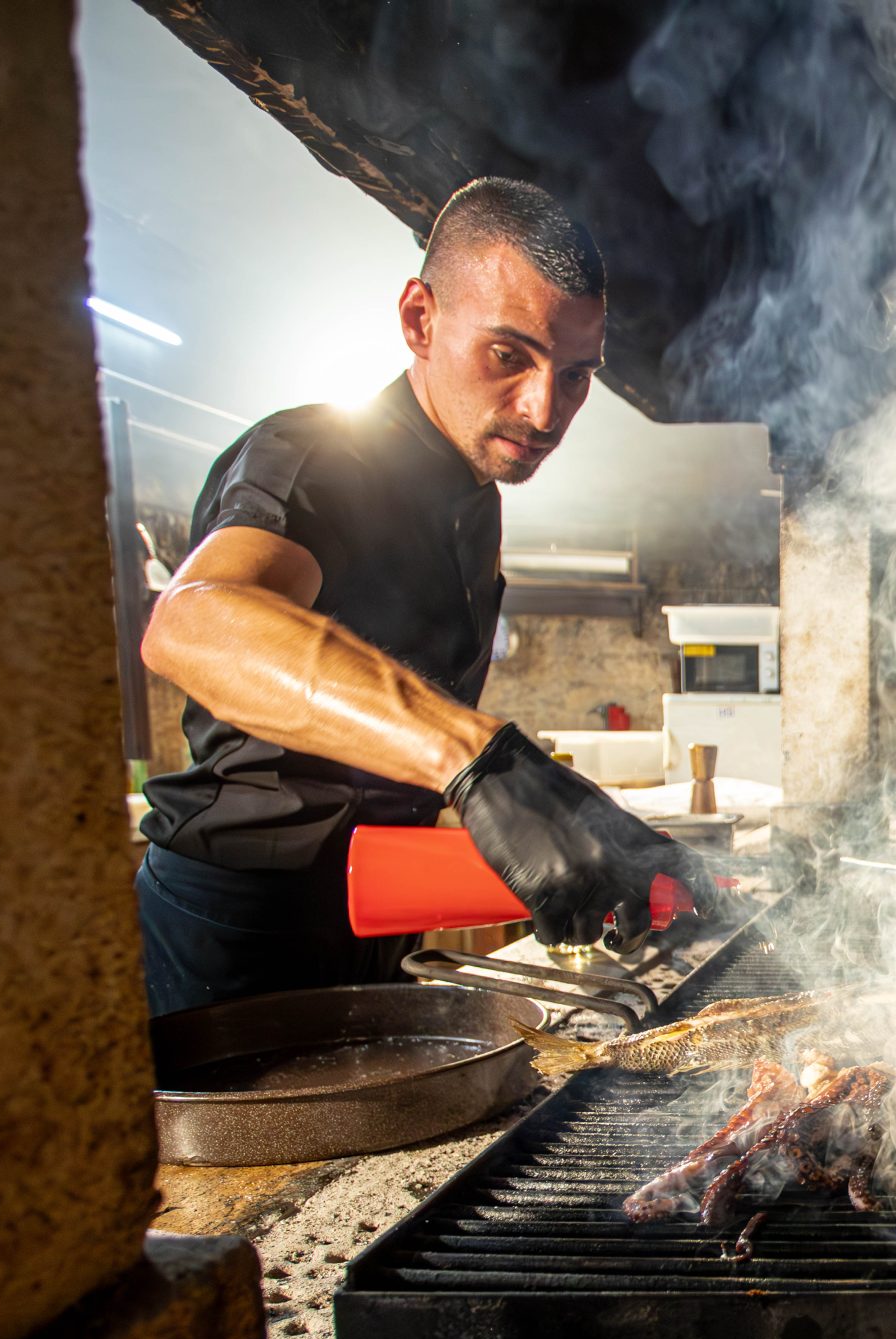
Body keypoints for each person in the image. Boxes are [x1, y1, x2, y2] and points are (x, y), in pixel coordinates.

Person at [134, 177, 719, 1017]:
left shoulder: (475, 504)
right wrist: (481, 759)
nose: (545, 408)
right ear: (419, 319)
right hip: (232, 935)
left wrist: (592, 833)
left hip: (376, 923)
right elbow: (190, 624)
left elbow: (372, 781)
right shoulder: (314, 459)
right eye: (508, 355)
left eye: (578, 375)